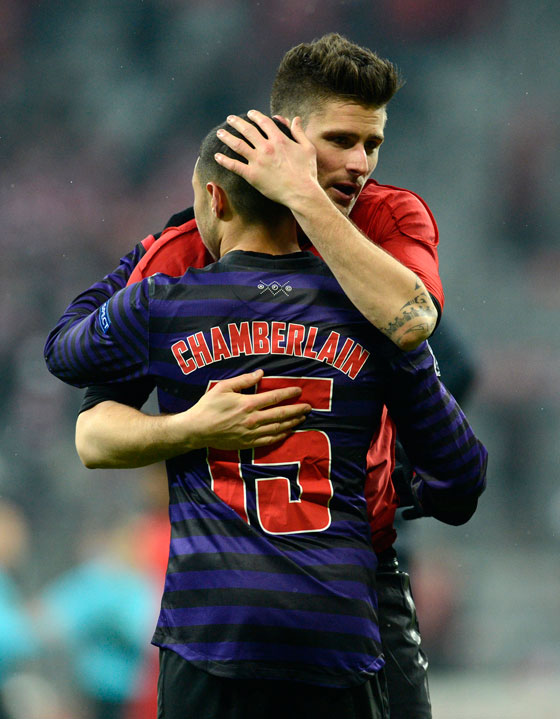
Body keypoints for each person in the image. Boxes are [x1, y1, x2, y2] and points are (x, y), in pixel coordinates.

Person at [53, 34, 450, 718]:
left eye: (372, 144)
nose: (361, 163)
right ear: (282, 140)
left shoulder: (392, 215)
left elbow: (416, 322)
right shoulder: (189, 246)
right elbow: (90, 415)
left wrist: (304, 198)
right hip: (226, 593)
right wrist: (188, 427)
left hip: (360, 574)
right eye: (341, 140)